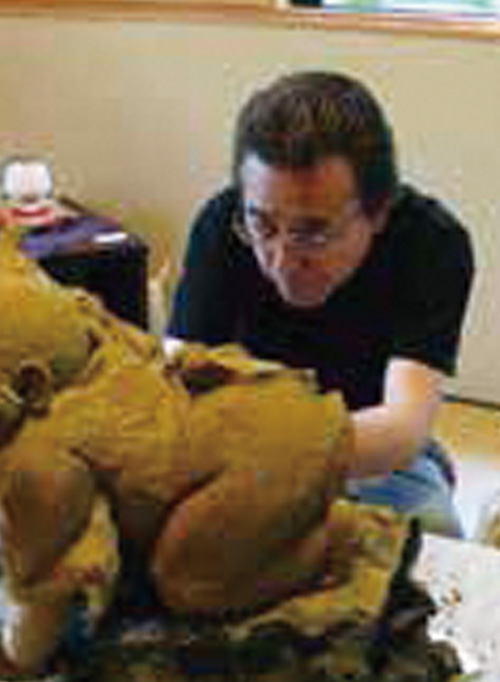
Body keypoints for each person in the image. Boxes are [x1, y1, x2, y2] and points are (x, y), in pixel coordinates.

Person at [166, 71, 474, 537]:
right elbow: (177, 389)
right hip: (233, 454)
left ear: (378, 212)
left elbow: (402, 428)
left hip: (369, 452)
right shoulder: (220, 225)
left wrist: (275, 457)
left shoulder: (431, 242)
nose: (282, 261)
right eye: (263, 226)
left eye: (312, 232)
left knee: (431, 539)